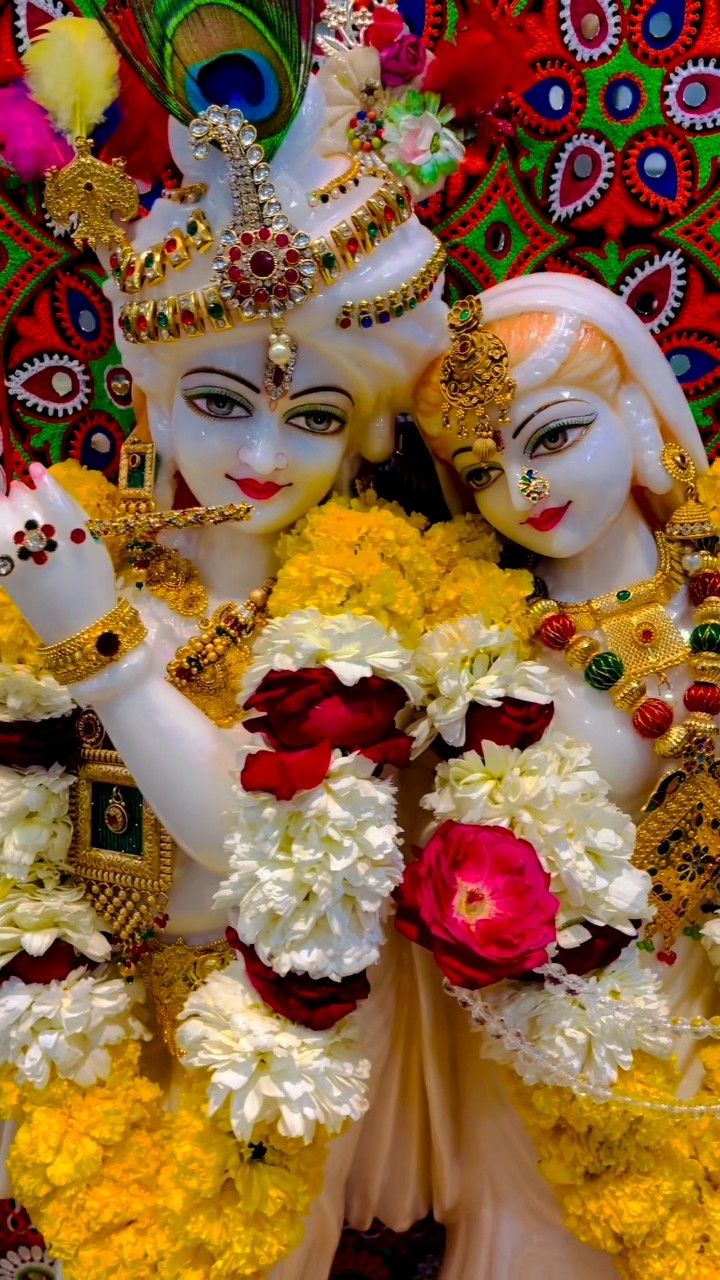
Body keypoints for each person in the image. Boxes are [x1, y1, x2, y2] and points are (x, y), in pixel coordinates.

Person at [409, 272, 720, 1277]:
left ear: (635, 411)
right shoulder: (484, 665)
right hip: (572, 1040)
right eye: (486, 467)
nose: (527, 489)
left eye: (552, 437)